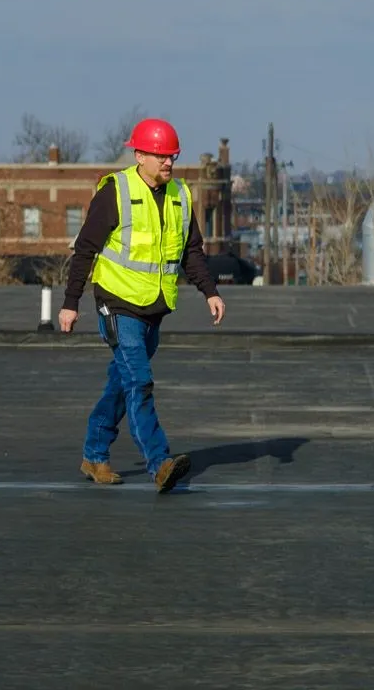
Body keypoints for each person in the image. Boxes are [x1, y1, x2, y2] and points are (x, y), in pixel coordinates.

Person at [59, 117, 225, 493]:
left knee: (122, 383)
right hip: (116, 304)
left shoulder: (181, 196)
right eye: (161, 156)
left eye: (172, 156)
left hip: (154, 306)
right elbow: (85, 249)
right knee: (139, 381)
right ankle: (159, 462)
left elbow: (191, 251)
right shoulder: (115, 192)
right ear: (140, 155)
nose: (168, 162)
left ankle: (94, 453)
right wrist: (70, 303)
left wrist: (210, 291)